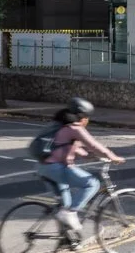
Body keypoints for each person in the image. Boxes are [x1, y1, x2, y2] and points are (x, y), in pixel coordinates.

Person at [36, 98, 125, 244]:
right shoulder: (75, 128)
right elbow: (93, 144)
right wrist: (112, 156)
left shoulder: (62, 126)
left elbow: (72, 148)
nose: (87, 120)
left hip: (44, 167)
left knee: (65, 204)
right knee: (92, 184)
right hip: (55, 168)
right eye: (87, 117)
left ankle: (67, 239)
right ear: (82, 116)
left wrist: (89, 156)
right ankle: (70, 213)